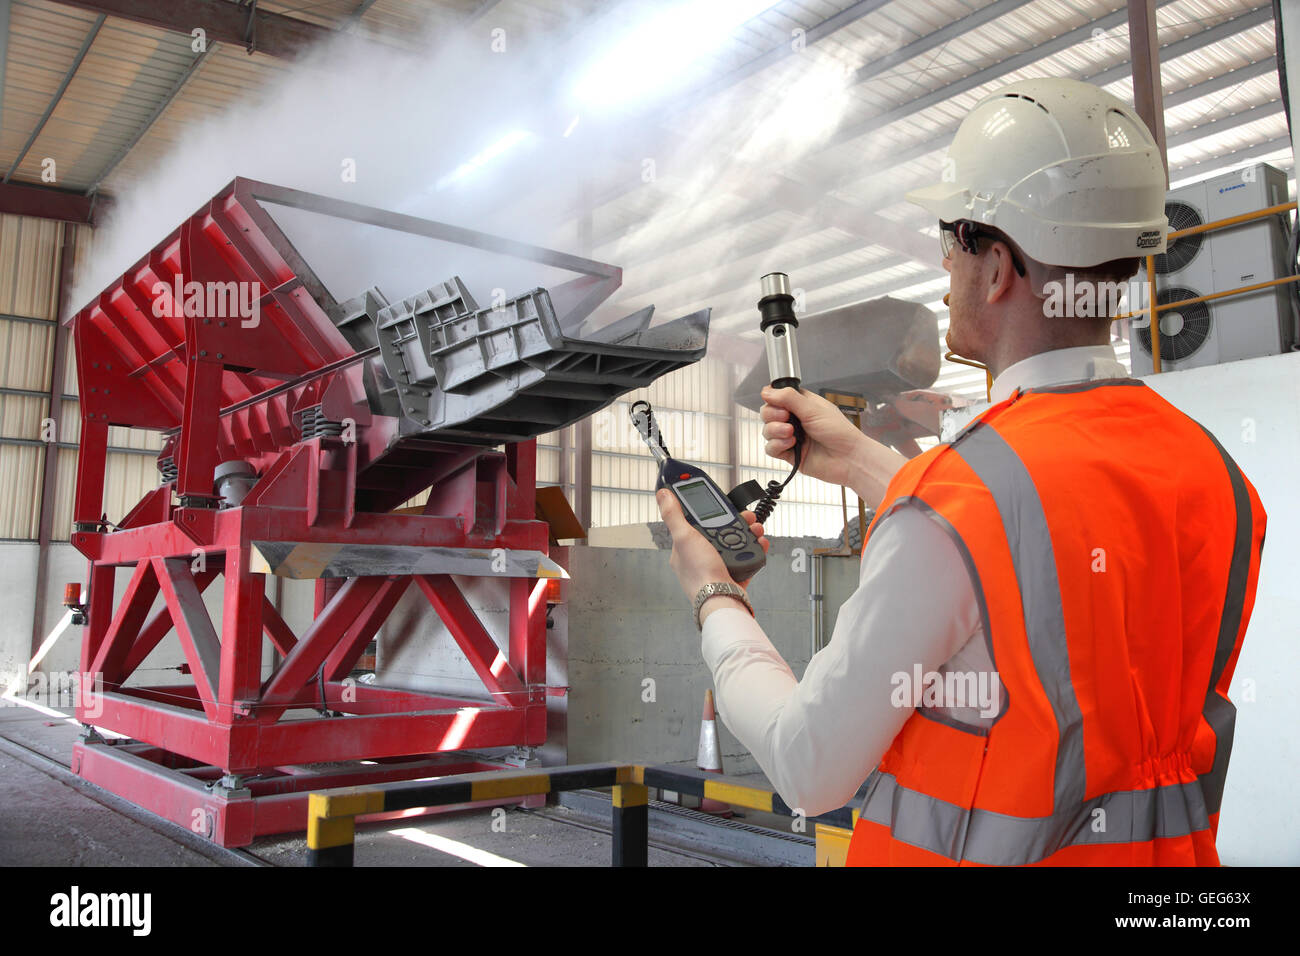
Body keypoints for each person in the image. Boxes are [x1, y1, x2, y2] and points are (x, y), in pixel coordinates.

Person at [654, 77, 1267, 865]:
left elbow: (810, 767)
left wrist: (713, 592)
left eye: (950, 239)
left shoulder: (956, 503)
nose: (944, 268)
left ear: (998, 266)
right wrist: (861, 460)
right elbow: (1033, 543)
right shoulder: (1217, 473)